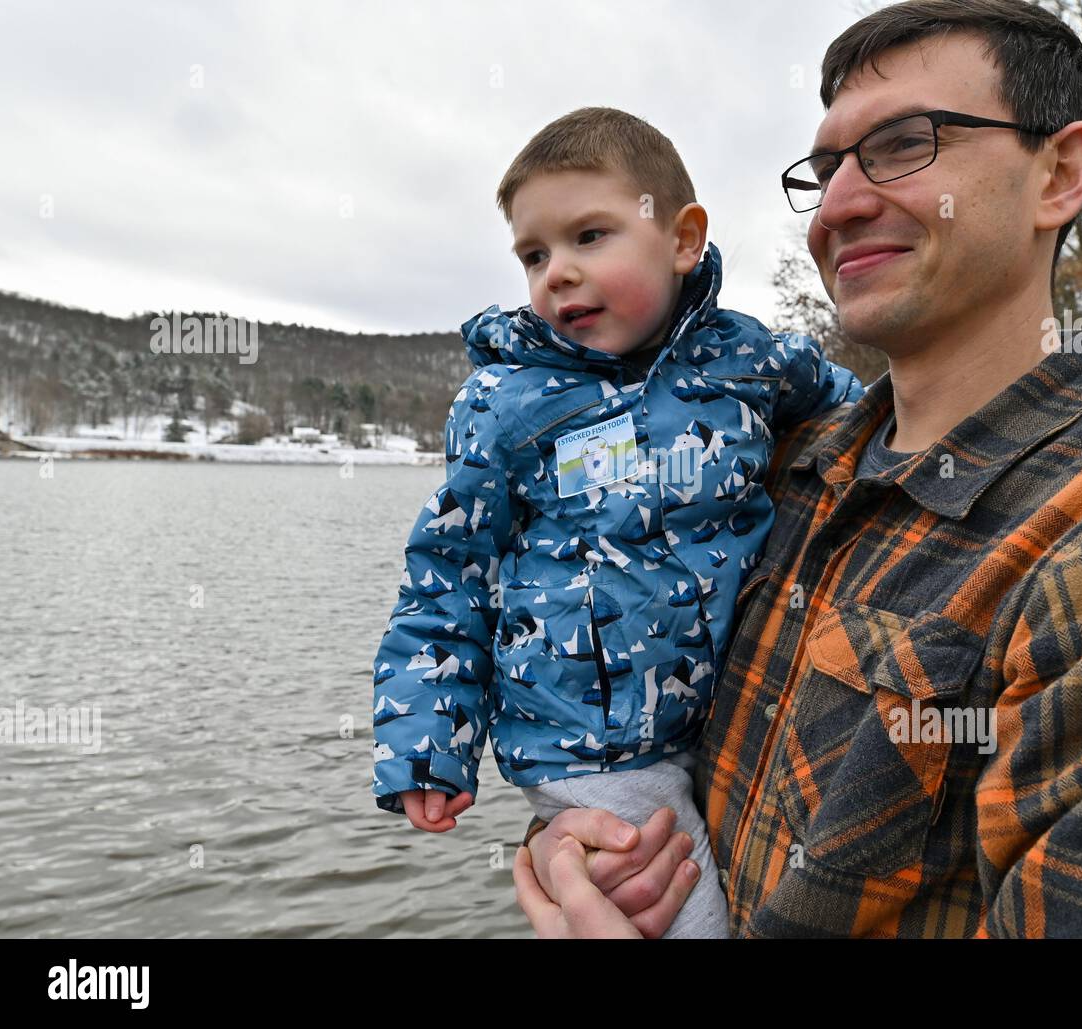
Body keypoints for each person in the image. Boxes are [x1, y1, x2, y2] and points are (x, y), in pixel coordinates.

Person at [514, 0, 1082, 939]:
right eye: (827, 167)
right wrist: (581, 835)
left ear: (1061, 171)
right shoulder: (773, 473)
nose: (839, 205)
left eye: (904, 144)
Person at [369, 106, 864, 938]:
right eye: (535, 253)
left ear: (681, 240)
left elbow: (862, 409)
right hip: (590, 744)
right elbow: (447, 576)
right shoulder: (508, 403)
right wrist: (427, 737)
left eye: (589, 236)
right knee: (684, 914)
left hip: (726, 713)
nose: (556, 271)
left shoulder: (747, 360)